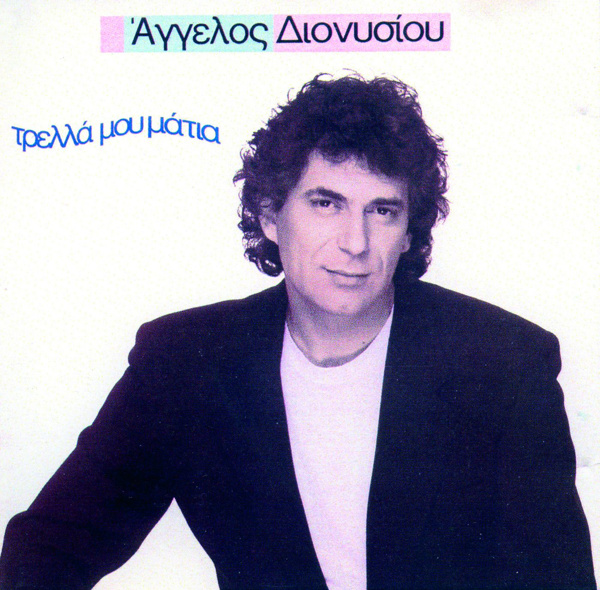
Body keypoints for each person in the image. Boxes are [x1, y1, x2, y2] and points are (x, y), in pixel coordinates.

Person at [0, 74, 595, 590]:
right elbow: (49, 547)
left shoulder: (503, 363)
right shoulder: (186, 363)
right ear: (269, 215)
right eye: (326, 203)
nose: (356, 242)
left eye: (383, 210)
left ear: (409, 231)